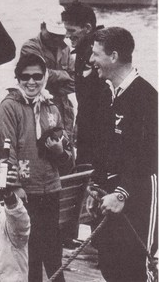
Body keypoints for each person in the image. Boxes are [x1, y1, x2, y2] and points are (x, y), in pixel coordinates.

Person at [87, 27, 158, 282]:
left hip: (139, 195)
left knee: (137, 268)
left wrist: (121, 193)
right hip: (112, 192)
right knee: (109, 264)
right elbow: (106, 148)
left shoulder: (147, 97)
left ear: (113, 56)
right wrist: (96, 185)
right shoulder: (110, 93)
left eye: (95, 54)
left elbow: (149, 156)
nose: (90, 60)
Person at [0, 53, 73, 282]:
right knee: (30, 256)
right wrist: (15, 186)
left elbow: (68, 160)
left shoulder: (51, 108)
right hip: (26, 193)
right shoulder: (8, 108)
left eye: (37, 76)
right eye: (25, 76)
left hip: (51, 189)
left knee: (53, 252)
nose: (31, 82)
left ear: (45, 77)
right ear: (17, 78)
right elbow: (4, 153)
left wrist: (60, 152)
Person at [61, 0, 110, 166]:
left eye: (71, 30)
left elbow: (101, 95)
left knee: (89, 169)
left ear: (87, 28)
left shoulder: (96, 53)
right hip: (89, 122)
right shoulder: (87, 48)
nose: (67, 36)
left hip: (99, 128)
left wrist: (81, 125)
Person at [20, 8, 76, 150]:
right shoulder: (30, 47)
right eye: (52, 34)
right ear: (42, 27)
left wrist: (54, 79)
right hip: (37, 107)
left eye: (60, 35)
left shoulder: (65, 48)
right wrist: (63, 75)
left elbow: (75, 81)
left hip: (63, 108)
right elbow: (38, 74)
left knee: (65, 149)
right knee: (38, 148)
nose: (56, 39)